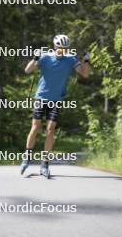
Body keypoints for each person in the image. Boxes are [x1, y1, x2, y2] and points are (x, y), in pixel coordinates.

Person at [21, 34, 90, 177]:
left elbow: (84, 74)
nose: (62, 51)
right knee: (35, 127)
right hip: (41, 97)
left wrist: (86, 61)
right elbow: (27, 70)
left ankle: (44, 164)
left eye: (65, 48)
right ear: (55, 46)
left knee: (51, 129)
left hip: (56, 99)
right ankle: (27, 156)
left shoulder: (70, 60)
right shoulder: (45, 57)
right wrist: (35, 58)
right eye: (60, 48)